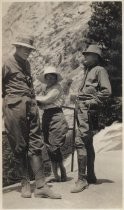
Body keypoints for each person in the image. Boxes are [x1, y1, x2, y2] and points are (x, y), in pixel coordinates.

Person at [2, 35, 61, 199]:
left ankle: (41, 185)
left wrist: (33, 102)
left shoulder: (27, 64)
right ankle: (25, 183)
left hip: (31, 107)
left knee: (36, 144)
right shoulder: (6, 63)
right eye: (25, 48)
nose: (28, 52)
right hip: (14, 108)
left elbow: (29, 85)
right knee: (19, 146)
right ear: (17, 47)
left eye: (30, 49)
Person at [70, 44, 112, 193]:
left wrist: (91, 101)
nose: (85, 57)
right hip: (82, 109)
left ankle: (82, 180)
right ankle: (91, 175)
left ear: (96, 57)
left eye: (88, 55)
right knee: (87, 142)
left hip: (87, 110)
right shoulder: (88, 71)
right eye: (85, 54)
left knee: (80, 141)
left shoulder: (99, 70)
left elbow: (107, 92)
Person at [36, 66, 68, 182]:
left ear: (55, 78)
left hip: (56, 116)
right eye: (47, 77)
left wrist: (33, 98)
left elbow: (46, 100)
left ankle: (61, 171)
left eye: (51, 77)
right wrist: (40, 102)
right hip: (47, 116)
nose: (49, 79)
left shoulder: (56, 88)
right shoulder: (47, 89)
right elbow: (43, 104)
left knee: (54, 145)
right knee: (49, 145)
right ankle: (56, 175)